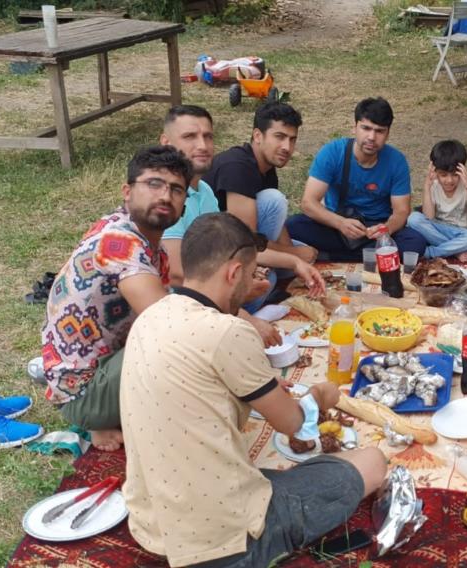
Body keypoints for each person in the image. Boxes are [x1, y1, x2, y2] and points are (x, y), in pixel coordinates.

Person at [121, 212, 387, 567]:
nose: (251, 285)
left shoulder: (153, 315)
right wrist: (322, 396)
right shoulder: (228, 330)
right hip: (222, 539)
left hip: (151, 523)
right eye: (250, 275)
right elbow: (296, 425)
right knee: (372, 460)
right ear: (233, 273)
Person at [40, 146, 190, 452]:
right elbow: (168, 323)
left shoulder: (147, 245)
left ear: (185, 204)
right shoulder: (119, 242)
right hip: (83, 393)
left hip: (92, 368)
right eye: (153, 184)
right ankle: (97, 418)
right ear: (127, 191)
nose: (164, 196)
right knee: (182, 349)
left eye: (176, 189)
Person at [164, 104, 323, 314]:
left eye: (208, 137)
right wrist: (242, 286)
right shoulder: (165, 197)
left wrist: (293, 259)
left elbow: (234, 246)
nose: (202, 145)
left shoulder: (203, 191)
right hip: (184, 301)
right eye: (190, 137)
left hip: (218, 256)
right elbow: (179, 274)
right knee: (270, 277)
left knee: (299, 256)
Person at [286, 97, 427, 261]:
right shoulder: (332, 152)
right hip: (336, 224)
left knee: (415, 243)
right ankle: (370, 258)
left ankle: (331, 256)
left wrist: (386, 229)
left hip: (375, 230)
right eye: (366, 128)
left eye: (379, 131)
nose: (372, 137)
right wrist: (340, 223)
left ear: (388, 133)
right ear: (354, 128)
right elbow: (308, 203)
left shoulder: (396, 161)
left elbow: (401, 211)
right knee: (293, 225)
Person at [406, 139, 467, 261]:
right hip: (437, 229)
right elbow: (429, 216)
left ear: (462, 170)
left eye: (455, 174)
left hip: (460, 232)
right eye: (443, 175)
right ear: (435, 171)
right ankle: (455, 251)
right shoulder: (434, 186)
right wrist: (427, 186)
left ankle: (432, 252)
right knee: (413, 218)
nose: (449, 180)